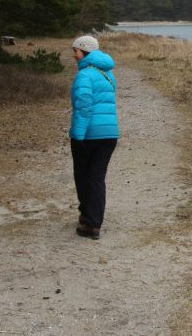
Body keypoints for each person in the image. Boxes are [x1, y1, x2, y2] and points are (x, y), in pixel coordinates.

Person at [69, 35, 119, 240]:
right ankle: (93, 222)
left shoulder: (85, 75)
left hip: (89, 134)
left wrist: (78, 135)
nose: (74, 55)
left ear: (83, 52)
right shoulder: (108, 74)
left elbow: (84, 106)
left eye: (75, 51)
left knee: (83, 176)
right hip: (110, 134)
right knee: (97, 178)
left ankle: (88, 221)